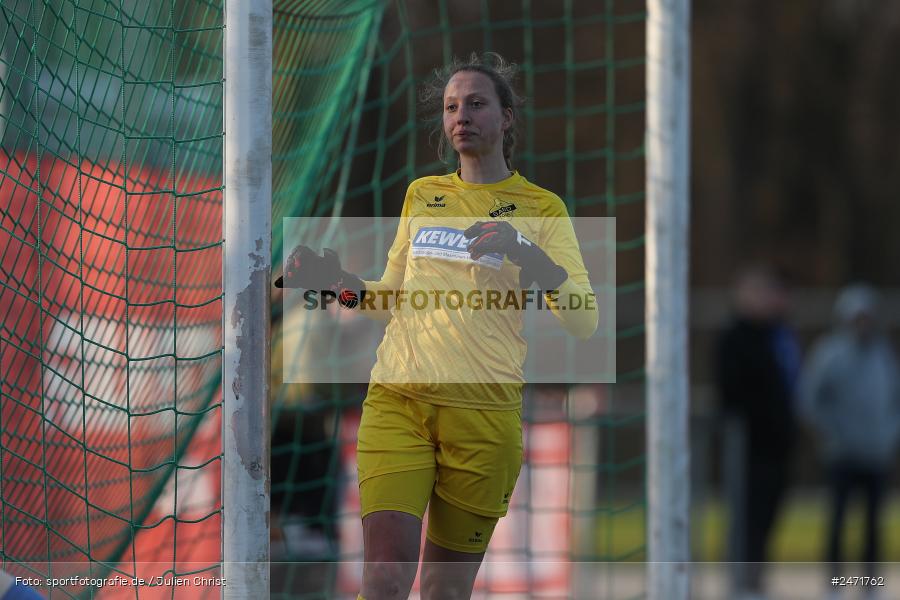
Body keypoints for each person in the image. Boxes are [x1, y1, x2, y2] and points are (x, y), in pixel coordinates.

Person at [276, 53, 597, 600]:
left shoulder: (542, 209)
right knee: (384, 579)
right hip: (399, 400)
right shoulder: (423, 196)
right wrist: (334, 282)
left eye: (476, 103)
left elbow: (584, 320)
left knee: (444, 592)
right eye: (451, 106)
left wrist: (525, 253)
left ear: (506, 117)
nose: (461, 116)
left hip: (484, 416)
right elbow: (388, 298)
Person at [799, 284, 900, 585]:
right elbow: (810, 400)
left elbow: (893, 400)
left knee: (873, 523)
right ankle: (835, 582)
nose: (863, 324)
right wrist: (833, 434)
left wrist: (888, 435)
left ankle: (869, 582)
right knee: (838, 519)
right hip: (842, 453)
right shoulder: (830, 354)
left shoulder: (883, 355)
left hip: (876, 453)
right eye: (857, 318)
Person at [714, 265, 801, 600]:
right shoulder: (735, 338)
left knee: (767, 515)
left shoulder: (776, 335)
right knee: (746, 515)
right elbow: (733, 392)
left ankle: (755, 578)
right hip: (749, 445)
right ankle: (741, 581)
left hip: (776, 445)